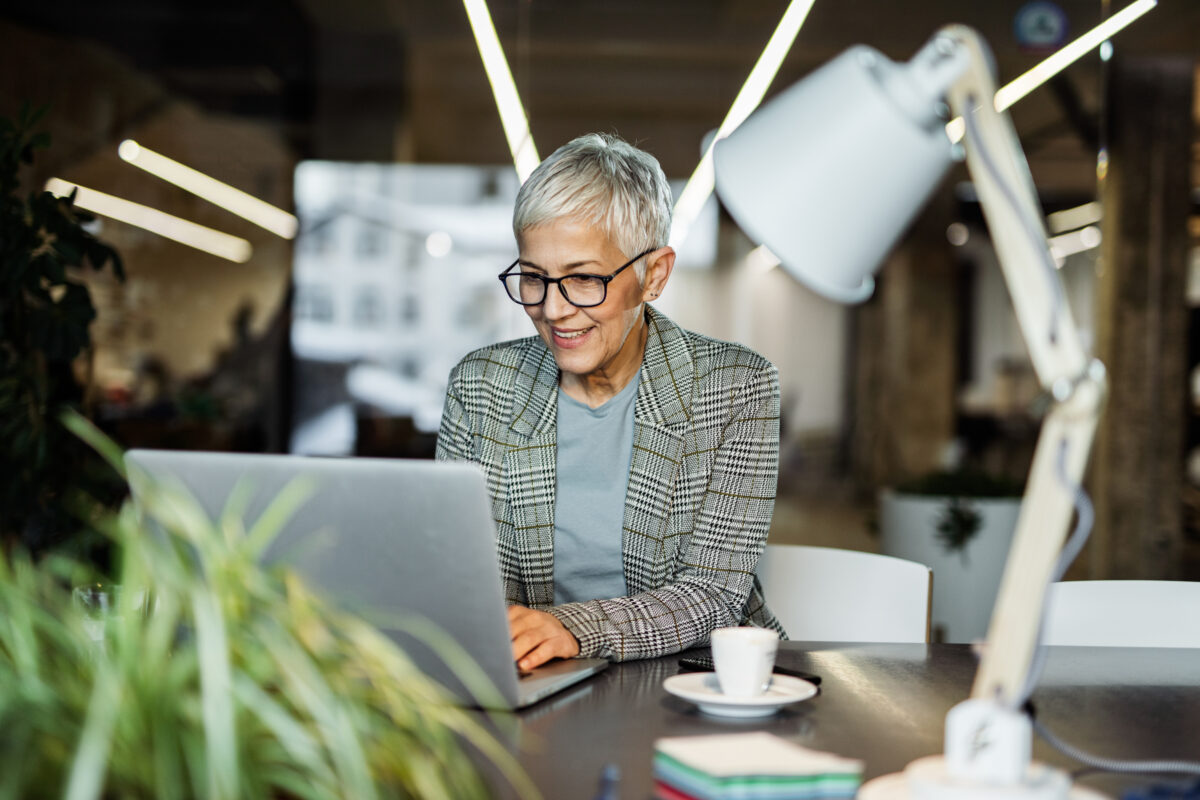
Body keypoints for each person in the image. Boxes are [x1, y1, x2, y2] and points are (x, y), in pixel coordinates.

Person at [436, 133, 783, 672]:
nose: (553, 309)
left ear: (655, 276)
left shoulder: (734, 387)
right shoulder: (480, 387)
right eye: (533, 278)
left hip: (697, 677)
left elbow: (714, 593)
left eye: (582, 279)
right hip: (533, 673)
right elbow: (458, 575)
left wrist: (574, 627)